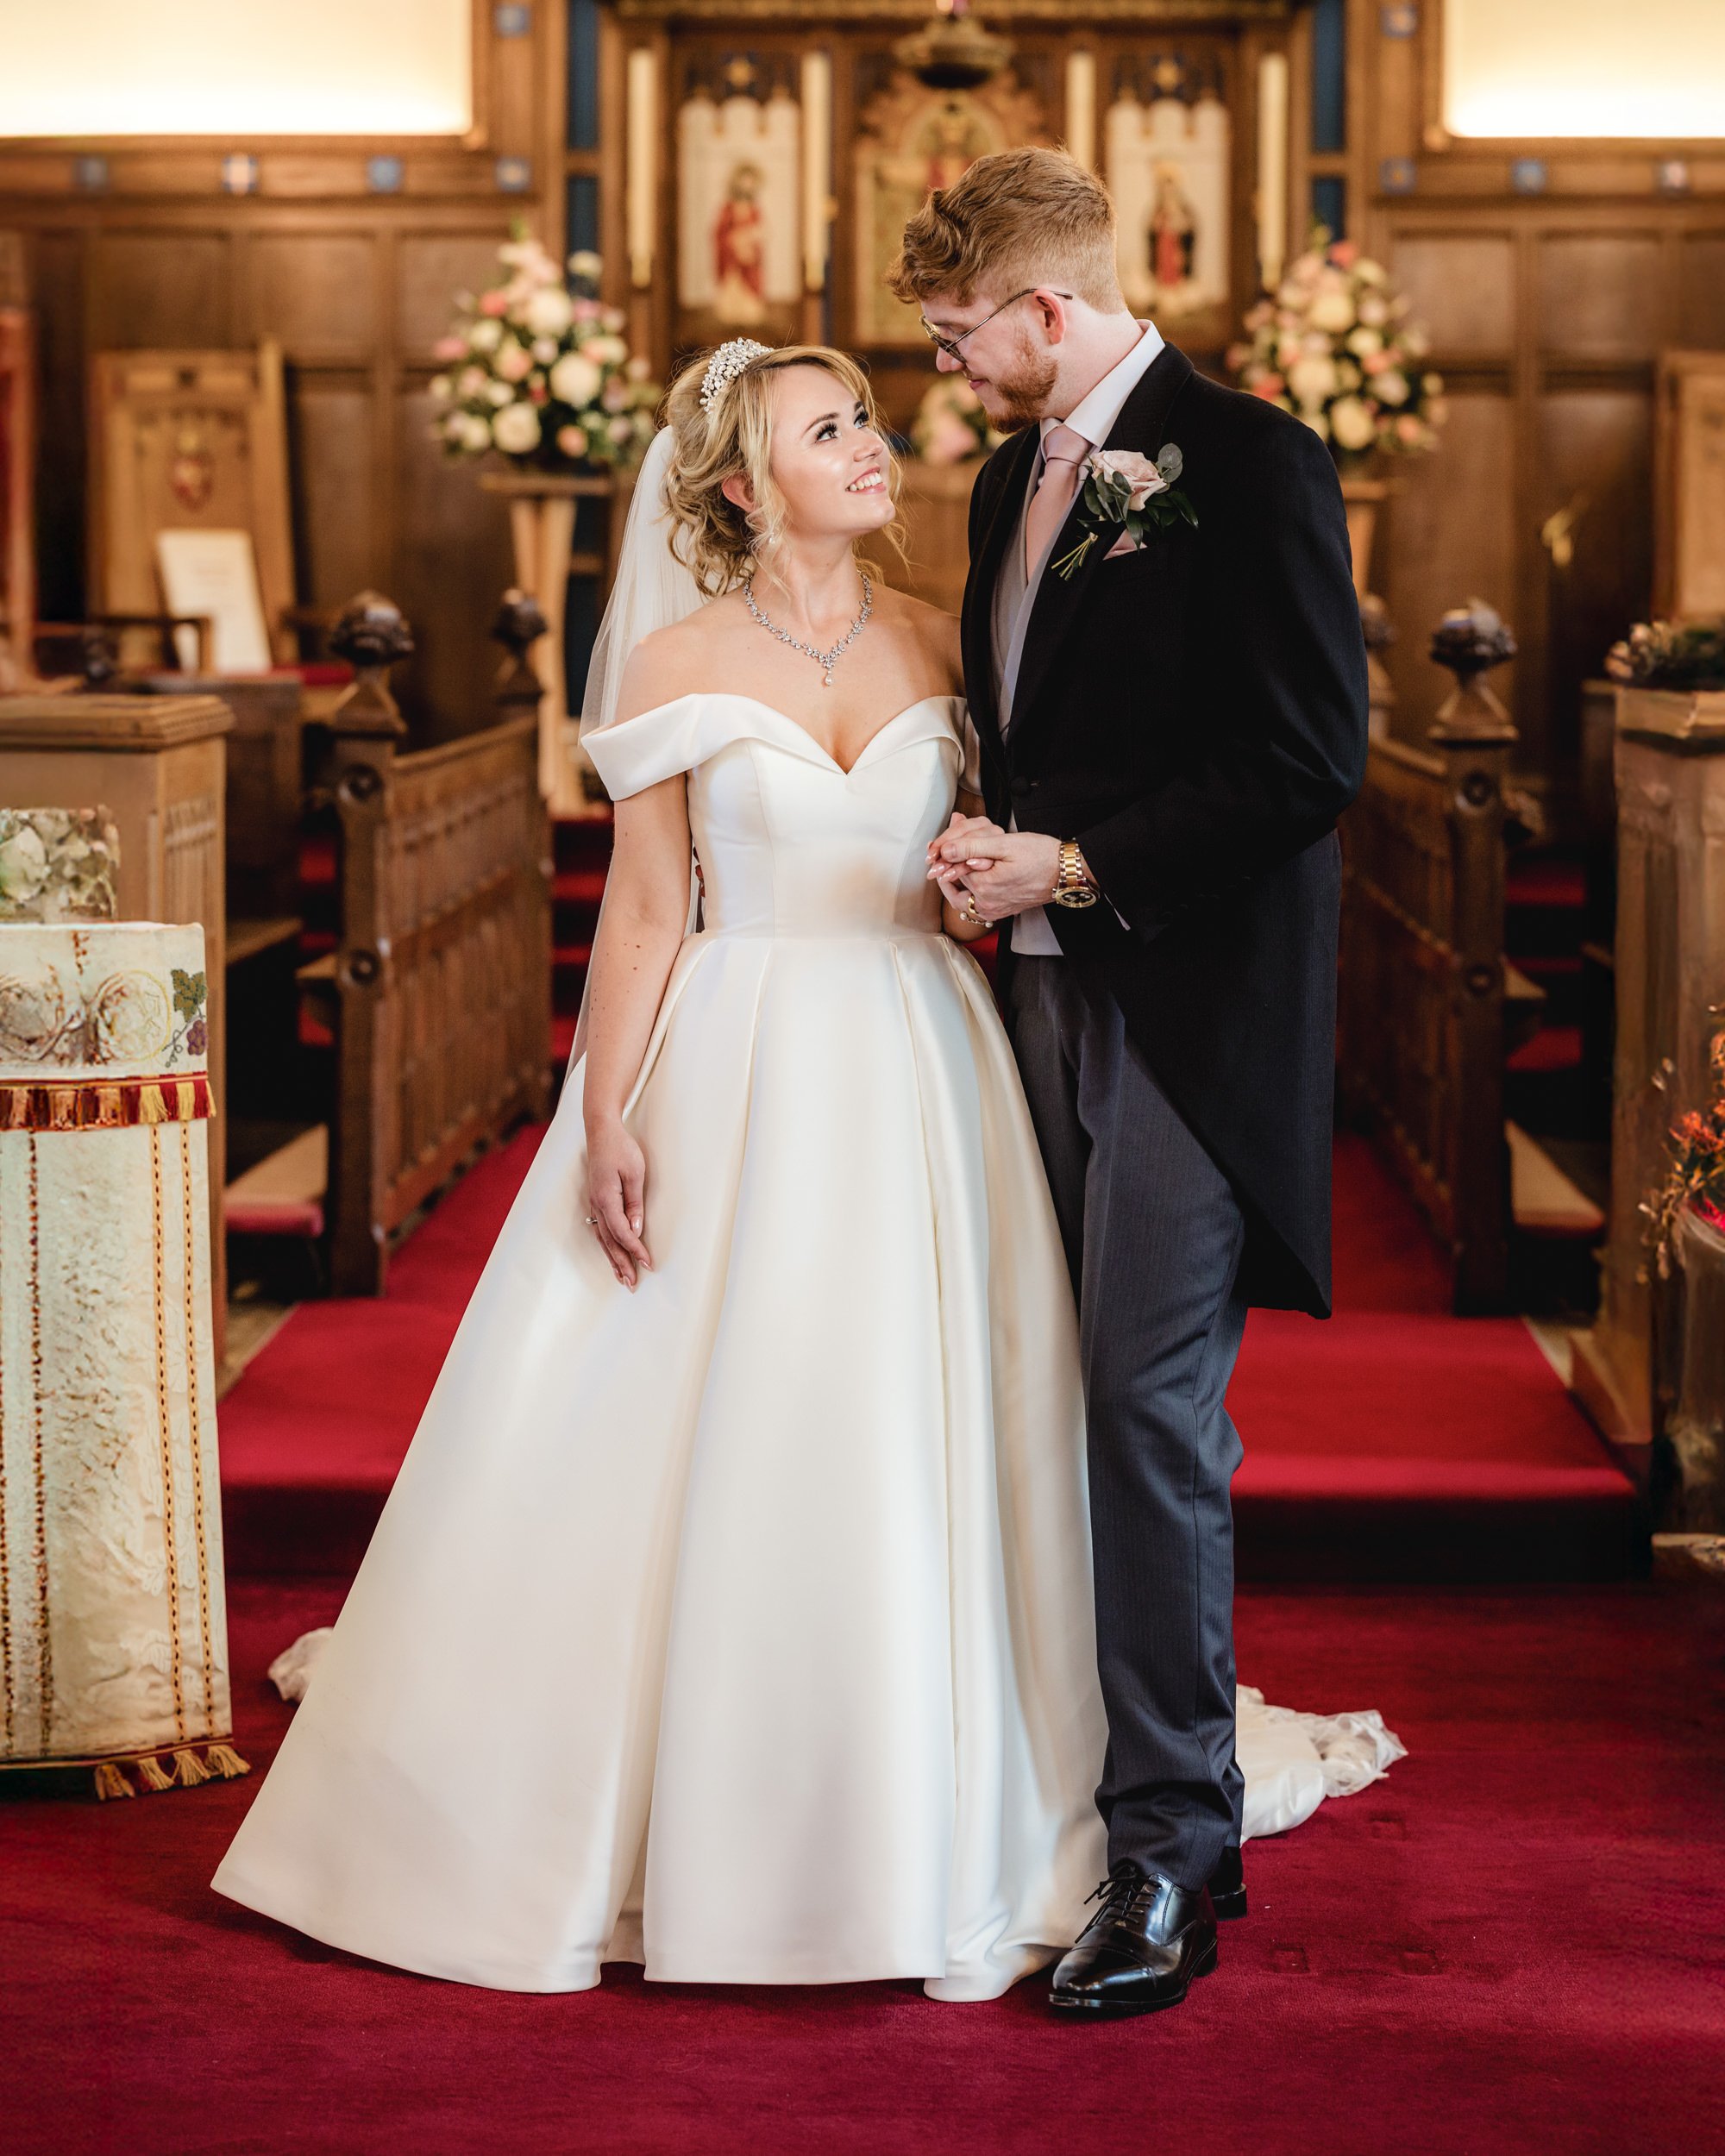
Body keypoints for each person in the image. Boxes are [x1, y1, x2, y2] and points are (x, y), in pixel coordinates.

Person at [211, 340, 1113, 2002]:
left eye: (867, 417)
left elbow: (969, 862)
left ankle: (929, 1793)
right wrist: (607, 1113)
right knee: (731, 1407)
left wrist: (987, 887)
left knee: (910, 1417)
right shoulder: (672, 658)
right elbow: (647, 908)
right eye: (827, 427)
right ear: (737, 482)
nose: (871, 444)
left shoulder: (945, 636)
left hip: (922, 1057)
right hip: (744, 1055)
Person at [894, 147, 1370, 2016]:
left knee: (1142, 1408)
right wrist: (983, 851)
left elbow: (1305, 756)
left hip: (1180, 1006)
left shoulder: (1245, 456)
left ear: (1047, 310)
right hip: (1024, 1002)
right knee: (1043, 1386)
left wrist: (1073, 865)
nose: (942, 366)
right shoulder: (1013, 474)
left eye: (955, 333)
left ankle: (1169, 1851)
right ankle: (1078, 1786)